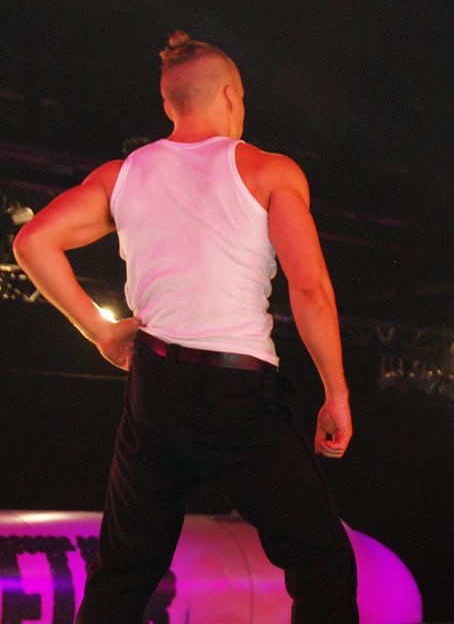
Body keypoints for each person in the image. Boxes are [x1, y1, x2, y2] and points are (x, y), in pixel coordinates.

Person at [13, 31, 358, 622]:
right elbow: (310, 290)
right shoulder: (267, 170)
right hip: (236, 393)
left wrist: (100, 330)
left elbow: (32, 242)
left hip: (155, 389)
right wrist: (336, 391)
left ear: (169, 105)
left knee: (123, 573)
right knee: (320, 559)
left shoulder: (123, 174)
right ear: (229, 95)